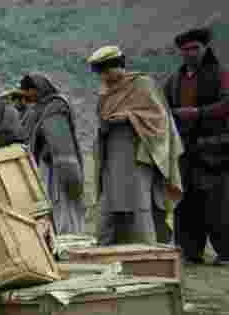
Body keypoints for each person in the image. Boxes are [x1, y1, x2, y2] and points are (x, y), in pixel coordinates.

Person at [88, 45, 183, 246]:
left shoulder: (143, 84)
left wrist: (129, 117)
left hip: (139, 154)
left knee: (140, 204)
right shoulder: (105, 92)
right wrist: (105, 126)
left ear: (118, 65)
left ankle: (146, 250)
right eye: (100, 72)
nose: (103, 76)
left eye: (106, 70)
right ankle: (111, 250)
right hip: (112, 155)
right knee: (110, 203)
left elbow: (160, 119)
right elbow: (101, 119)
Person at [163, 27, 229, 264]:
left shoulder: (221, 74)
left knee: (217, 204)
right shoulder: (174, 80)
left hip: (216, 152)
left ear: (205, 48)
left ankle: (226, 253)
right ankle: (190, 252)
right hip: (185, 151)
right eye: (185, 49)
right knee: (186, 203)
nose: (190, 53)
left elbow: (227, 103)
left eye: (195, 48)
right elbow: (164, 107)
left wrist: (198, 113)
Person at [20, 73, 87, 235]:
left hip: (57, 167)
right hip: (43, 166)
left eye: (30, 90)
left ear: (39, 89)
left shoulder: (55, 107)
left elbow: (59, 139)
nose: (27, 94)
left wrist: (49, 153)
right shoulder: (37, 109)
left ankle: (67, 236)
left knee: (61, 201)